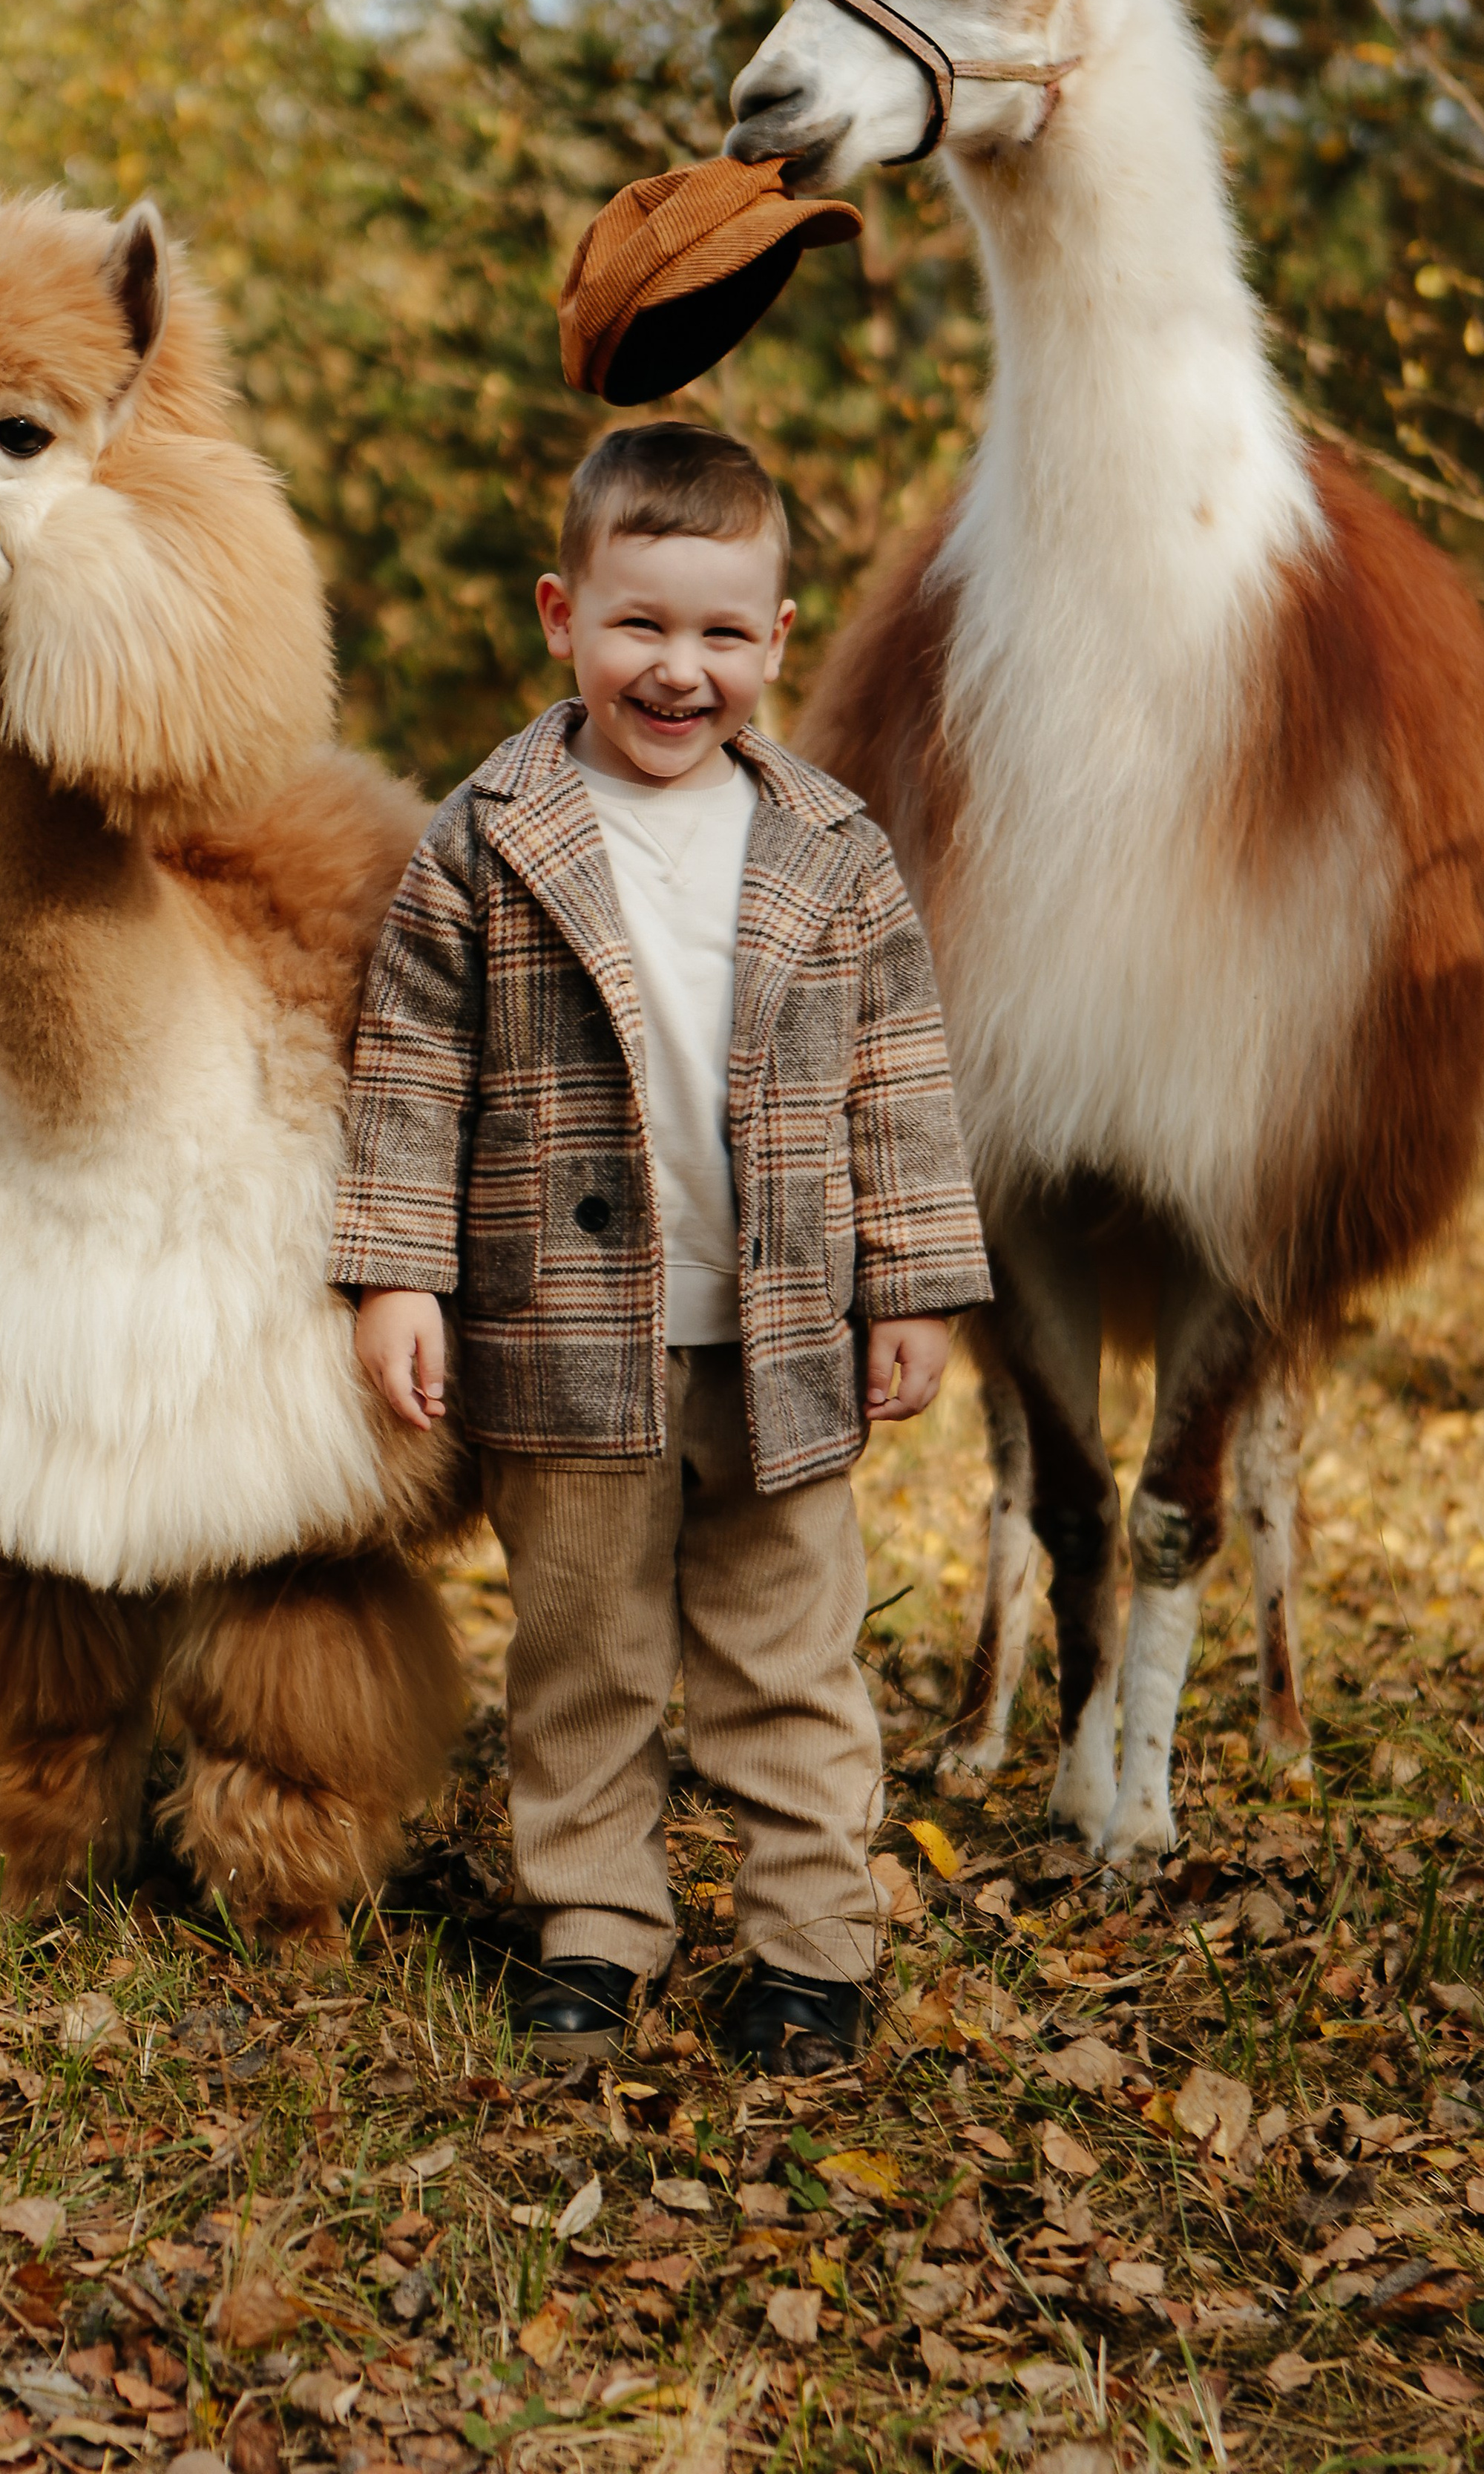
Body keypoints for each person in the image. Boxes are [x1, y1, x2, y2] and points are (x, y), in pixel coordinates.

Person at [330, 421, 989, 2069]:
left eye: (717, 633)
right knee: (582, 1654)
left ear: (775, 639)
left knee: (788, 1655)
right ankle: (597, 1925)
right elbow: (410, 1069)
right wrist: (397, 1273)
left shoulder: (831, 850)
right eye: (639, 625)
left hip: (782, 1332)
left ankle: (809, 1948)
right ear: (562, 614)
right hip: (560, 1331)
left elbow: (896, 1076)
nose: (675, 668)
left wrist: (908, 1280)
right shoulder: (485, 839)